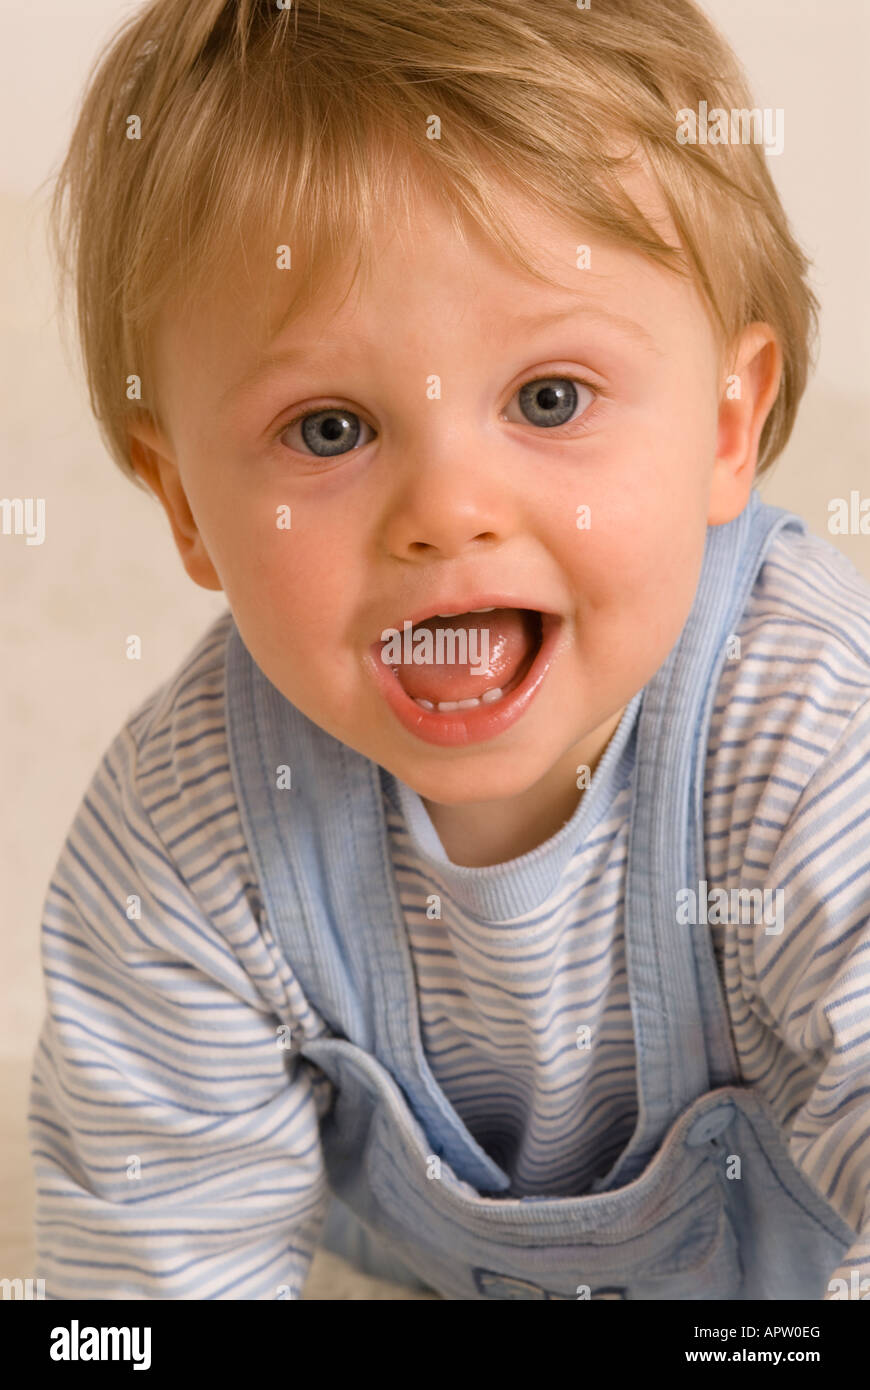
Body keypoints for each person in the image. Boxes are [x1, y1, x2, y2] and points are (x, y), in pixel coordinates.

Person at [29, 0, 870, 1299]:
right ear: (187, 505)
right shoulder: (187, 839)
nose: (444, 513)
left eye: (547, 398)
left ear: (721, 426)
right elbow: (150, 1277)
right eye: (326, 428)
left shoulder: (806, 730)